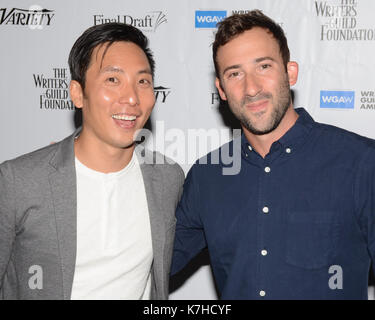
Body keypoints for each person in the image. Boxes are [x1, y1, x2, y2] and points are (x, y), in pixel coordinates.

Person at [171, 10, 375, 299]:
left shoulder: (361, 163)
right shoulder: (207, 176)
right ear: (222, 89)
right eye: (235, 73)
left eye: (263, 66)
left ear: (290, 72)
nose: (251, 88)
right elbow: (145, 266)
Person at [0, 23, 184, 300]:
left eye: (143, 81)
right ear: (77, 93)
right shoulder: (18, 181)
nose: (132, 97)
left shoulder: (168, 178)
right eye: (113, 80)